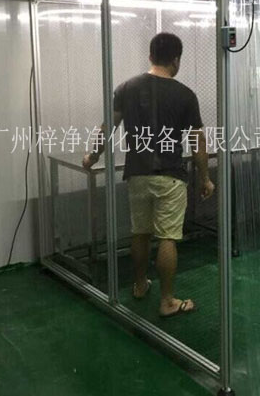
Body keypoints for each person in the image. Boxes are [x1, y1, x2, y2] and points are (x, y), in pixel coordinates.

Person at [82, 32, 215, 317]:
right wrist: (205, 178)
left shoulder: (126, 88)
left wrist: (92, 156)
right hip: (170, 176)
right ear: (176, 60)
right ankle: (167, 301)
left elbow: (107, 128)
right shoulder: (185, 95)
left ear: (151, 56)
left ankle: (140, 285)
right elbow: (198, 142)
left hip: (137, 174)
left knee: (140, 233)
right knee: (167, 237)